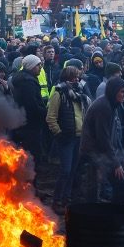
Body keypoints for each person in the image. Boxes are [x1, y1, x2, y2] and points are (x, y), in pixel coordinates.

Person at [79, 77, 124, 204]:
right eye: (122, 92)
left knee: (121, 181)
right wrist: (116, 163)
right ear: (114, 91)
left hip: (103, 151)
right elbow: (103, 138)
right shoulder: (103, 107)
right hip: (92, 152)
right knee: (93, 187)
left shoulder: (113, 104)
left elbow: (115, 133)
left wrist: (123, 156)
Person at [47, 66, 91, 214]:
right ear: (67, 77)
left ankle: (66, 199)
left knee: (73, 170)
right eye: (74, 76)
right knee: (65, 170)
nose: (77, 79)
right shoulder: (59, 93)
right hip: (66, 138)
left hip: (79, 137)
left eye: (78, 76)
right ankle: (57, 200)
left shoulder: (80, 93)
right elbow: (51, 117)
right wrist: (59, 134)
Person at [12, 55, 48, 180]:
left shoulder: (23, 78)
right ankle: (32, 188)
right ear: (31, 66)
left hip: (25, 122)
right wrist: (45, 111)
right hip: (31, 125)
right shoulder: (28, 82)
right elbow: (32, 105)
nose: (40, 67)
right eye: (38, 65)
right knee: (33, 157)